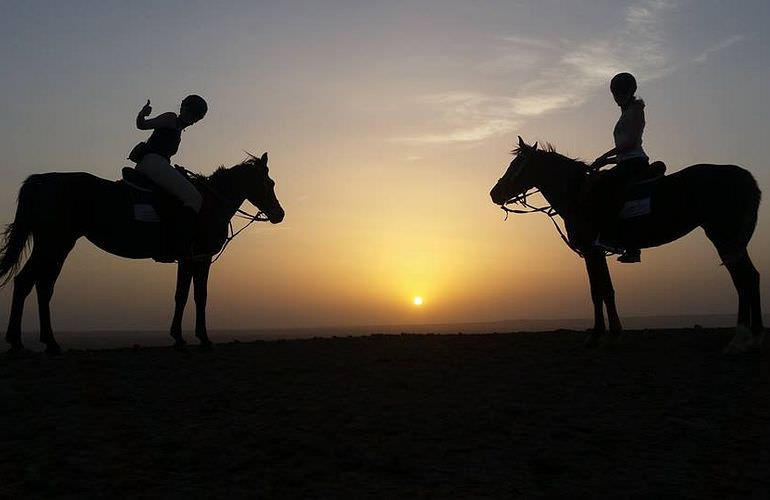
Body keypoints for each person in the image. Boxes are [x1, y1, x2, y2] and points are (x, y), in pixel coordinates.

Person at [128, 95, 208, 257]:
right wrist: (143, 114)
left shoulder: (177, 127)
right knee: (195, 198)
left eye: (196, 119)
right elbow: (142, 125)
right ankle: (181, 244)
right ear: (183, 109)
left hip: (158, 164)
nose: (193, 121)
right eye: (193, 115)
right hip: (153, 163)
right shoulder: (170, 118)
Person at [591, 72, 648, 263]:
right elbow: (625, 151)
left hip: (634, 162)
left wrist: (605, 157)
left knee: (603, 188)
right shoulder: (627, 111)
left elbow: (631, 143)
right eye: (615, 94)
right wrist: (607, 161)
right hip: (627, 161)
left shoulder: (635, 110)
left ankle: (616, 240)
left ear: (628, 92)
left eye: (619, 93)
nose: (616, 98)